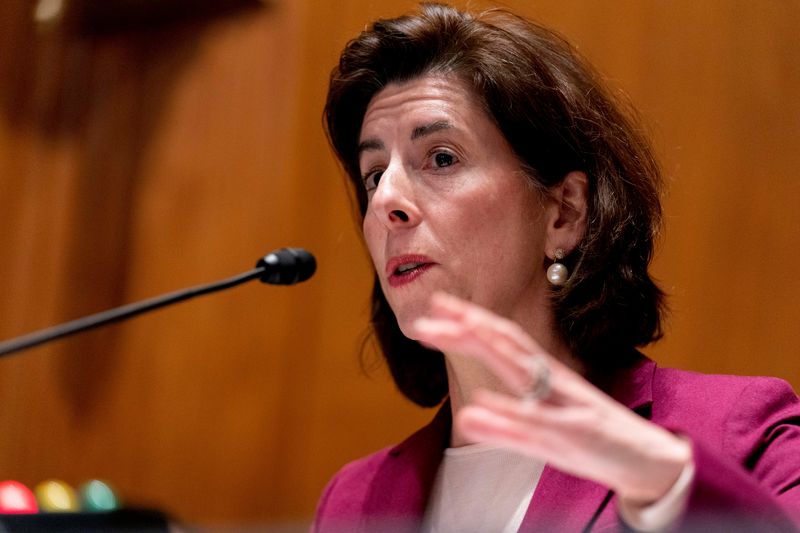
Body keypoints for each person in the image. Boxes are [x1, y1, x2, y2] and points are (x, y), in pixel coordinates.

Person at [314, 3, 800, 532]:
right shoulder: (353, 503)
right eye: (374, 173)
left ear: (563, 212)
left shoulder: (741, 431)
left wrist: (670, 491)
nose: (386, 200)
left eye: (442, 157)